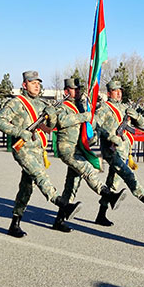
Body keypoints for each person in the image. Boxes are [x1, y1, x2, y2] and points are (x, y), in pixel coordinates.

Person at [0, 71, 82, 238]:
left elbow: (49, 128)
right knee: (40, 174)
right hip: (23, 149)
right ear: (24, 85)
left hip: (38, 150)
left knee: (27, 187)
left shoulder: (41, 104)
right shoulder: (17, 103)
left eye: (38, 83)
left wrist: (52, 116)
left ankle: (15, 223)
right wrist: (19, 131)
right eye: (32, 83)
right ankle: (62, 204)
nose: (36, 85)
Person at [50, 78, 125, 232]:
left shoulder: (81, 106)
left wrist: (95, 136)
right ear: (66, 91)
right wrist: (84, 116)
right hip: (67, 149)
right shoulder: (62, 106)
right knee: (88, 170)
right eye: (73, 89)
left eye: (78, 89)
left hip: (79, 148)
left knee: (72, 185)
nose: (77, 91)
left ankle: (59, 219)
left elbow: (90, 124)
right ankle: (109, 196)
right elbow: (62, 121)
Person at [94, 80, 144, 225]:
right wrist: (110, 137)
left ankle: (101, 215)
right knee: (128, 175)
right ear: (109, 93)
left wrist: (137, 117)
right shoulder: (104, 109)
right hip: (111, 150)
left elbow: (142, 123)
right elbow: (96, 127)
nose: (119, 93)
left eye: (120, 90)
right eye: (115, 90)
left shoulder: (125, 108)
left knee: (112, 184)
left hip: (123, 151)